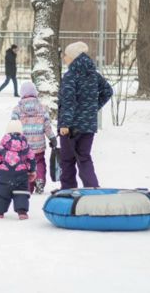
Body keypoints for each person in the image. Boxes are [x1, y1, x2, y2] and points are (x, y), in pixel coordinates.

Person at [57, 41, 113, 189]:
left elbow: (68, 101)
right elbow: (108, 91)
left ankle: (68, 191)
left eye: (66, 55)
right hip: (88, 126)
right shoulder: (93, 74)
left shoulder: (71, 75)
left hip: (71, 128)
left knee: (67, 160)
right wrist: (92, 109)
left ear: (74, 57)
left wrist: (65, 124)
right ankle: (93, 188)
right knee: (84, 158)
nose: (64, 57)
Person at [11, 81, 57, 194]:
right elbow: (47, 126)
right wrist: (52, 138)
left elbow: (13, 126)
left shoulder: (17, 109)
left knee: (25, 165)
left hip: (23, 146)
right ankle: (40, 179)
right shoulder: (42, 108)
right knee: (39, 162)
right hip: (39, 144)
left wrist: (13, 140)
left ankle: (28, 186)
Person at [0, 120, 36, 220]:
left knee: (2, 191)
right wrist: (32, 171)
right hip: (21, 173)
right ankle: (22, 212)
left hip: (5, 174)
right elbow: (31, 159)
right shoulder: (26, 146)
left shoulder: (1, 146)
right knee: (21, 191)